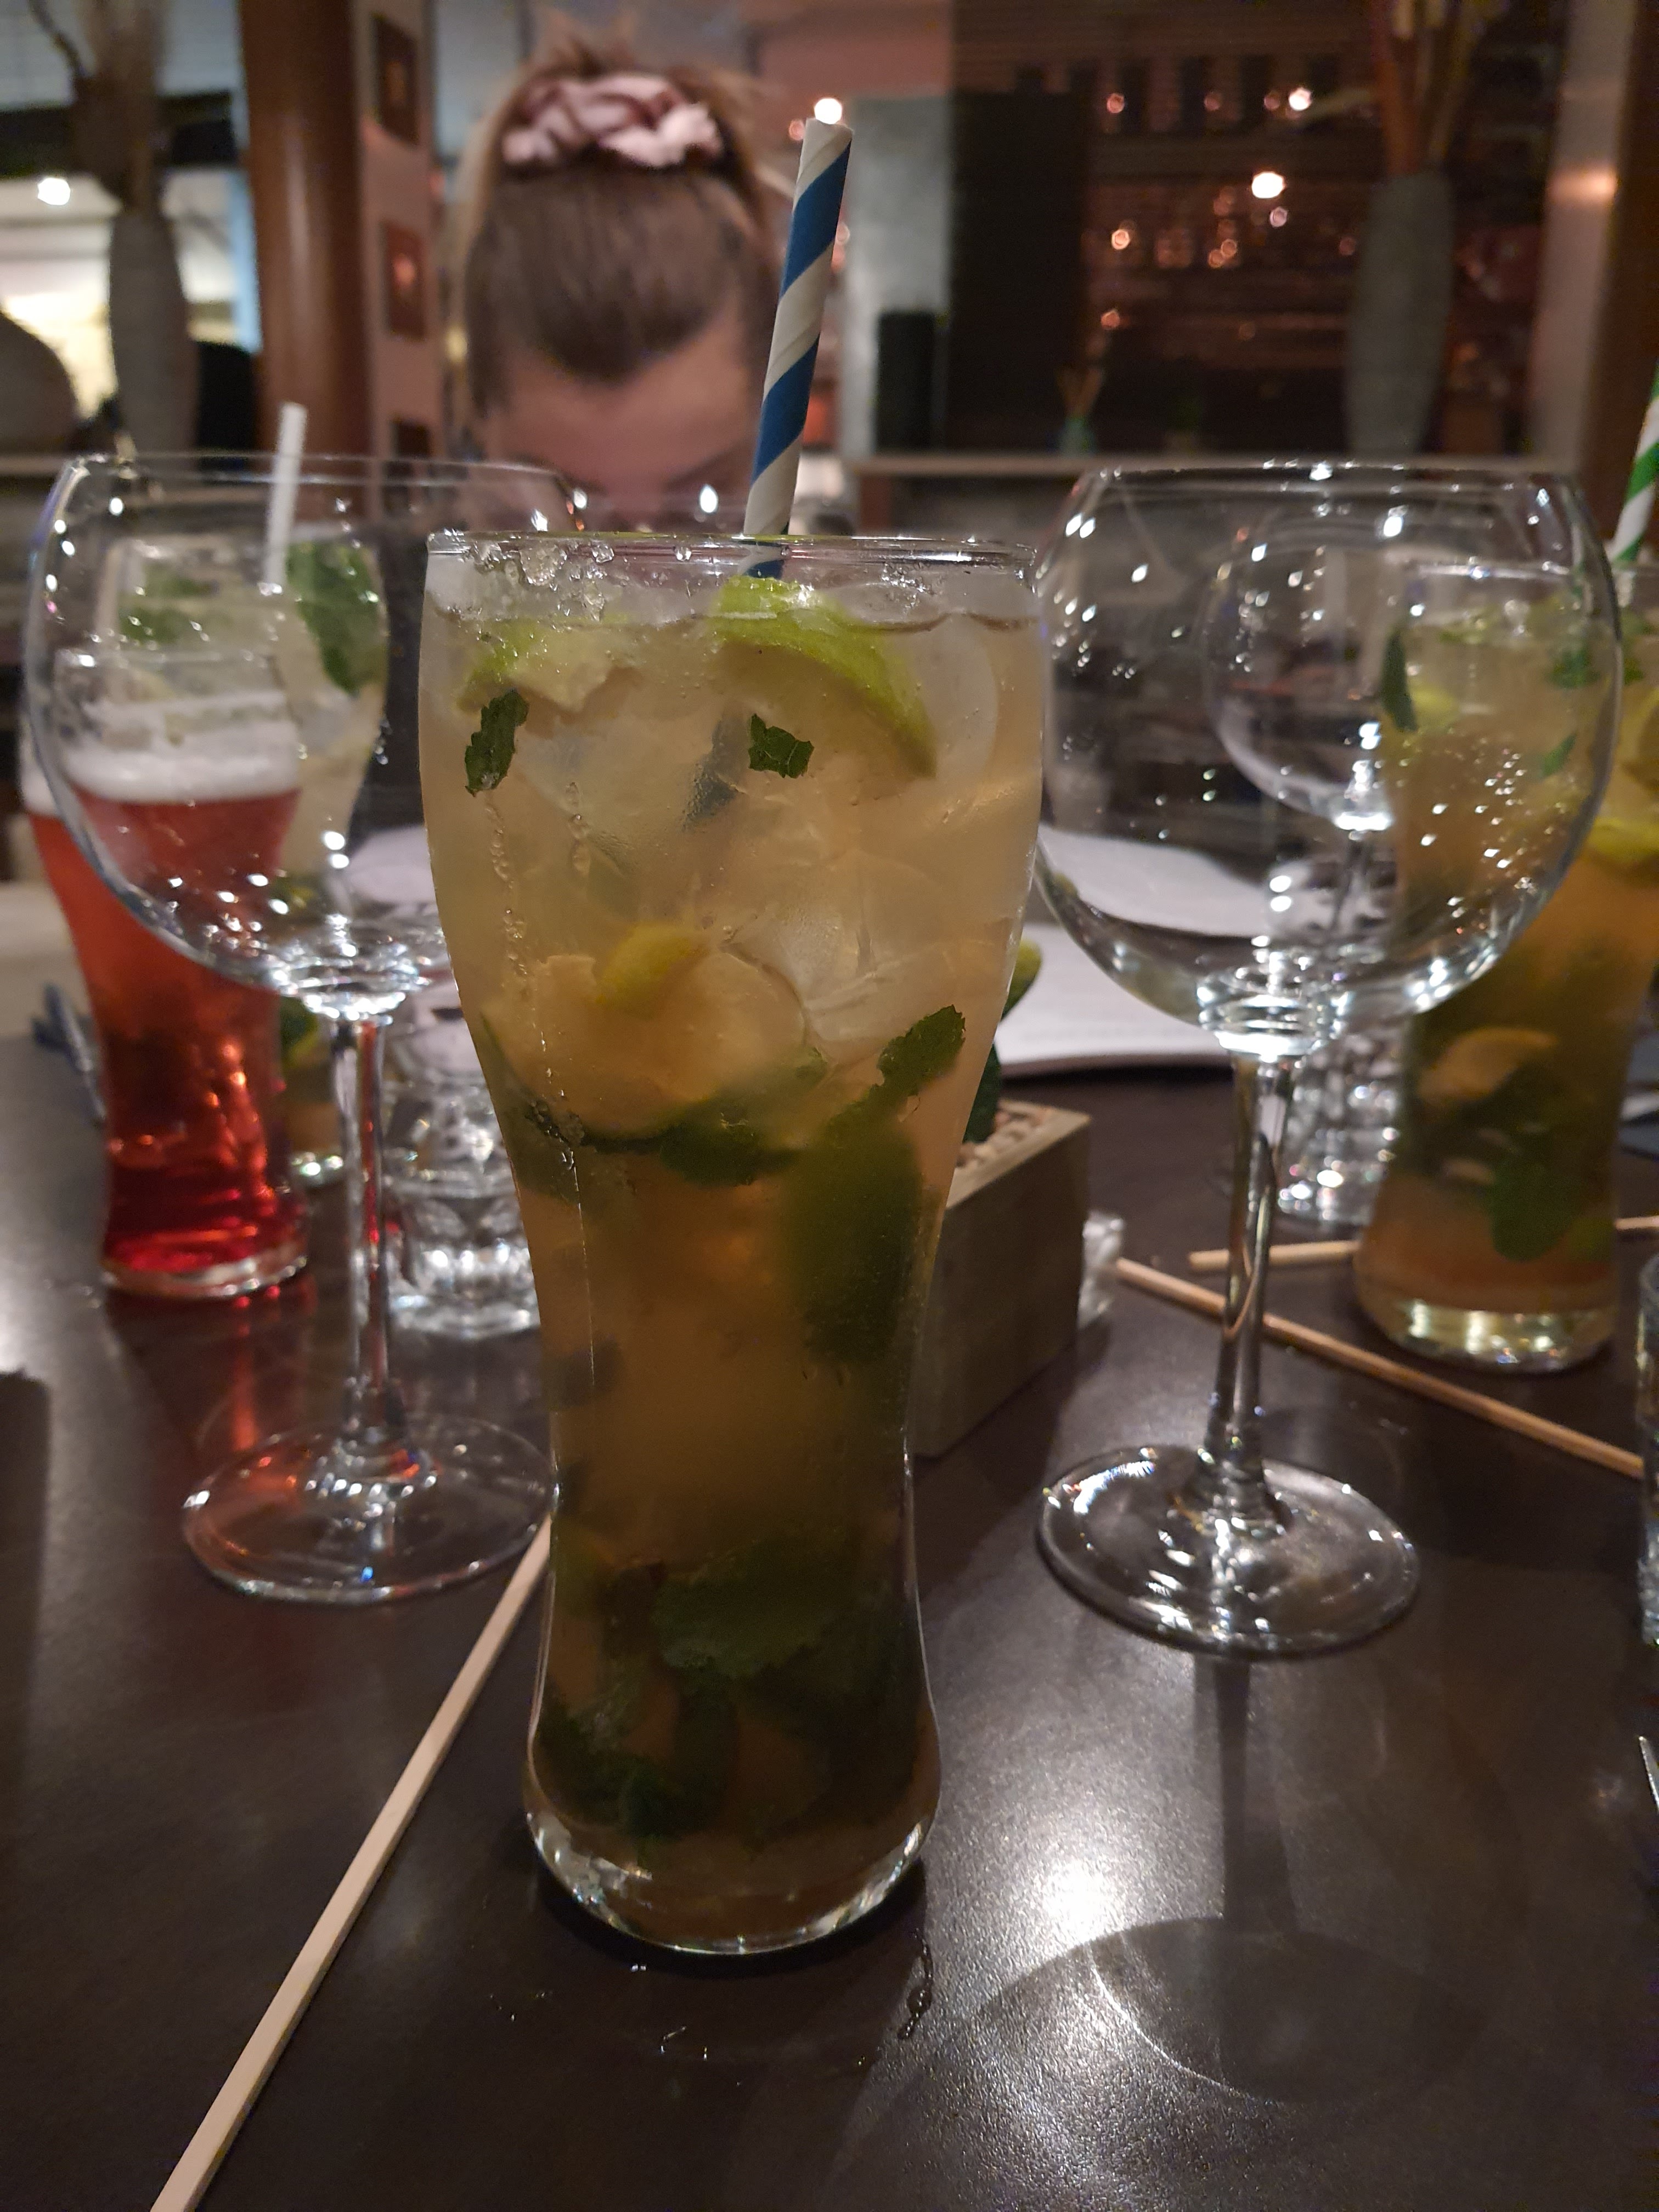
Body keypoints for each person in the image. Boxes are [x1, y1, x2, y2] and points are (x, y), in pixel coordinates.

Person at [454, 21, 781, 522]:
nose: (630, 560)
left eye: (700, 503)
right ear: (476, 421)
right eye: (570, 510)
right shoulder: (394, 567)